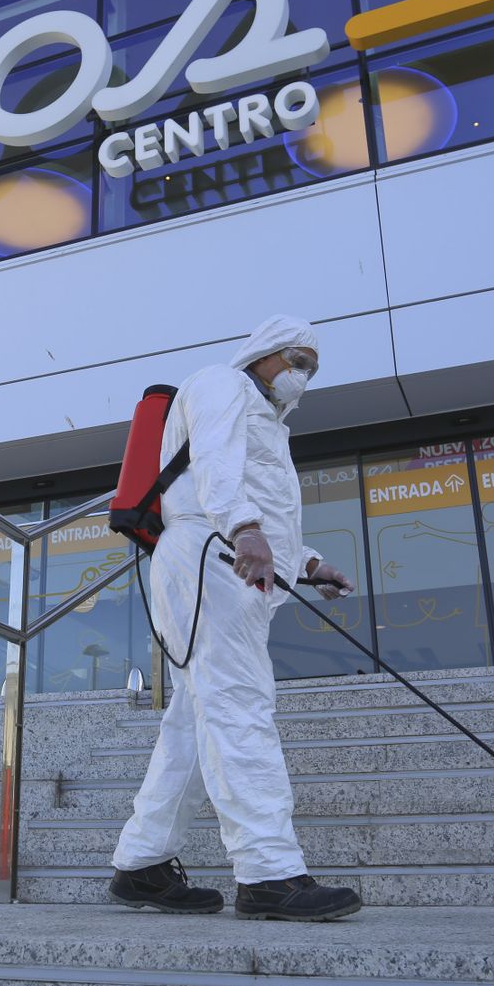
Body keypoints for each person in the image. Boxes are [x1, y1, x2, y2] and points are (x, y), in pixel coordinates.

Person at [109, 315, 361, 922]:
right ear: (265, 352)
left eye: (312, 370)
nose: (303, 377)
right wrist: (244, 529)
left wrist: (309, 564)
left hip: (226, 558)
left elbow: (263, 507)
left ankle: (142, 861)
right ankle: (269, 872)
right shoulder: (222, 383)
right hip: (209, 555)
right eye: (297, 362)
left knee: (197, 717)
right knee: (240, 704)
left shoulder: (269, 422)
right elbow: (217, 469)